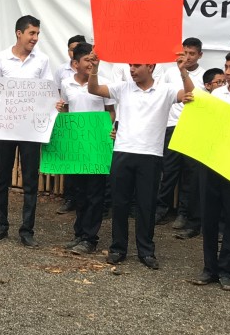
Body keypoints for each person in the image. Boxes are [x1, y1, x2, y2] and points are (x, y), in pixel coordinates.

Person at [87, 52, 194, 269]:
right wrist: (95, 68)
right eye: (130, 65)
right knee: (120, 204)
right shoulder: (123, 87)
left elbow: (190, 94)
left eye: (136, 65)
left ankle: (146, 251)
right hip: (123, 152)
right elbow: (94, 89)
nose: (132, 70)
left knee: (146, 206)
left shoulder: (166, 90)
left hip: (151, 155)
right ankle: (118, 248)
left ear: (151, 66)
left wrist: (183, 71)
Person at [0, 15, 52, 248]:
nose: (35, 38)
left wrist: (53, 102)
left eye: (37, 34)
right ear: (19, 33)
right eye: (32, 33)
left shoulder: (42, 60)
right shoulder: (1, 58)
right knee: (2, 177)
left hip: (30, 131)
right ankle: (1, 225)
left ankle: (27, 230)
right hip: (6, 128)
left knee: (30, 180)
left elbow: (47, 90)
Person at [56, 43, 114, 255]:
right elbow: (67, 111)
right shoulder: (66, 83)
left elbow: (110, 112)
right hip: (76, 146)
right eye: (87, 60)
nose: (91, 63)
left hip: (96, 145)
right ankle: (78, 234)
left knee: (95, 193)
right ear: (75, 63)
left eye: (93, 59)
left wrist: (106, 134)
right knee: (79, 191)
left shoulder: (104, 84)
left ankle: (90, 238)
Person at [192, 49, 230, 290]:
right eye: (227, 67)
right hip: (211, 162)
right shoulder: (217, 94)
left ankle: (227, 270)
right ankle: (209, 268)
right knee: (208, 218)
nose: (227, 72)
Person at [155, 37, 206, 235]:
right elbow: (161, 96)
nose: (188, 57)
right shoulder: (169, 72)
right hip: (171, 126)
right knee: (169, 171)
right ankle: (160, 210)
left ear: (200, 55)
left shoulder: (204, 76)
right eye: (185, 53)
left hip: (193, 129)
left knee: (190, 174)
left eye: (192, 53)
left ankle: (183, 213)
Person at [54, 34, 86, 215]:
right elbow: (60, 96)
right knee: (70, 164)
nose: (73, 52)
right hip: (71, 125)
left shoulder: (95, 77)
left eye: (77, 49)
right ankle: (69, 199)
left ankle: (85, 201)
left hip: (88, 129)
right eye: (71, 49)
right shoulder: (61, 72)